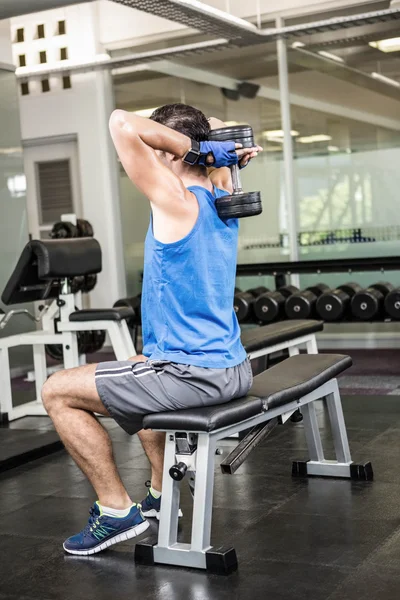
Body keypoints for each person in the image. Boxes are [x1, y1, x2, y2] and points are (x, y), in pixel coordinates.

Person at [42, 103, 262, 555]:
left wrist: (195, 151)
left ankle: (116, 511)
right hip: (231, 367)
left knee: (55, 390)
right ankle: (164, 497)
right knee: (138, 365)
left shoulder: (174, 198)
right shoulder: (222, 195)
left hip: (191, 375)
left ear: (168, 152)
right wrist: (216, 152)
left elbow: (121, 122)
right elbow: (216, 123)